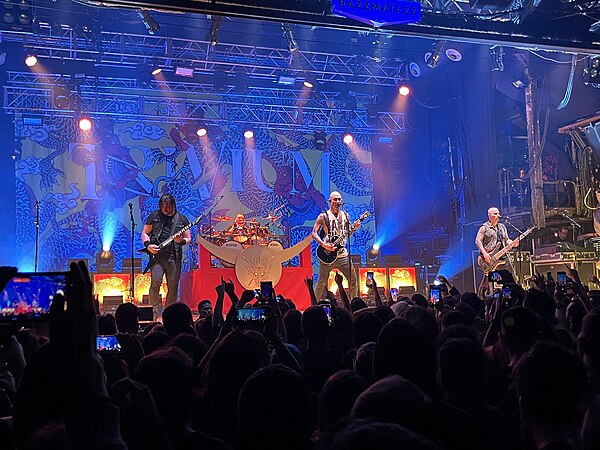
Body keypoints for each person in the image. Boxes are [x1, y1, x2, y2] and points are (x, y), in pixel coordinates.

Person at [141, 193, 191, 310]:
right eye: (163, 206)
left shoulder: (182, 219)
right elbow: (145, 233)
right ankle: (153, 309)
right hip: (157, 257)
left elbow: (188, 238)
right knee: (155, 282)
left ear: (173, 205)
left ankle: (170, 310)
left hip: (174, 257)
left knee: (173, 286)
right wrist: (148, 246)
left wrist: (181, 241)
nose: (165, 209)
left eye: (168, 206)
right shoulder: (154, 216)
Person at [312, 191, 359, 299]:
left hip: (343, 255)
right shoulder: (323, 216)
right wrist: (324, 245)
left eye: (339, 199)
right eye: (335, 199)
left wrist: (354, 228)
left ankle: (353, 304)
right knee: (322, 282)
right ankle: (314, 305)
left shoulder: (346, 216)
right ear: (330, 201)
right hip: (328, 254)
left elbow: (347, 234)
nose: (337, 201)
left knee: (353, 280)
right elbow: (314, 233)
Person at [475, 207, 519, 296]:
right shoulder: (484, 228)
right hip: (490, 258)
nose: (497, 215)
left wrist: (512, 243)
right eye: (495, 213)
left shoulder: (502, 227)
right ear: (489, 215)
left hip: (503, 257)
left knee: (511, 277)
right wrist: (485, 254)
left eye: (498, 213)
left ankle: (511, 296)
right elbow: (477, 241)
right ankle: (491, 298)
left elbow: (506, 240)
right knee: (492, 281)